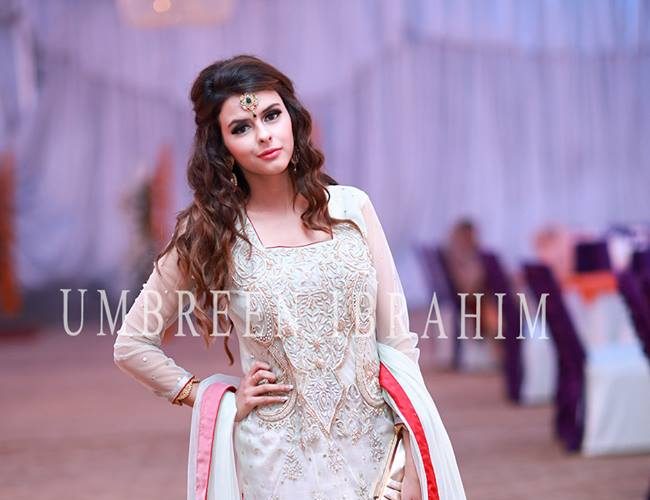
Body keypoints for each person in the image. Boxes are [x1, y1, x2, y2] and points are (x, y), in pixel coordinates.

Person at [113, 54, 465, 500]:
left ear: (292, 118)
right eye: (241, 127)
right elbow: (132, 344)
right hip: (278, 464)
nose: (263, 135)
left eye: (271, 115)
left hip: (378, 454)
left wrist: (413, 450)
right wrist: (207, 397)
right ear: (221, 146)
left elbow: (397, 342)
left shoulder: (351, 209)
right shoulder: (211, 231)